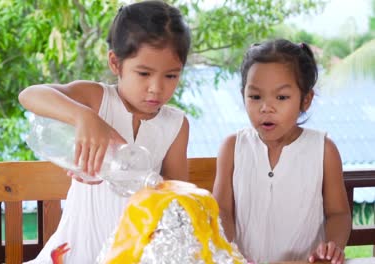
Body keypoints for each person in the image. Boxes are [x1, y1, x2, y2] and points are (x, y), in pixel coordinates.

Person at [18, 1, 191, 263]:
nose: (156, 88)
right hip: (78, 248)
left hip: (138, 254)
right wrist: (84, 117)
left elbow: (177, 196)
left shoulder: (175, 124)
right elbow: (30, 95)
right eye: (144, 73)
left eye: (171, 76)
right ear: (115, 63)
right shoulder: (97, 100)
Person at [212, 39, 351, 264]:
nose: (266, 107)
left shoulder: (323, 150)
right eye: (255, 96)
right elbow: (222, 211)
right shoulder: (232, 147)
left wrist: (332, 248)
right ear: (243, 95)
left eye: (281, 97)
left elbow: (339, 214)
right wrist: (226, 252)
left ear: (305, 100)